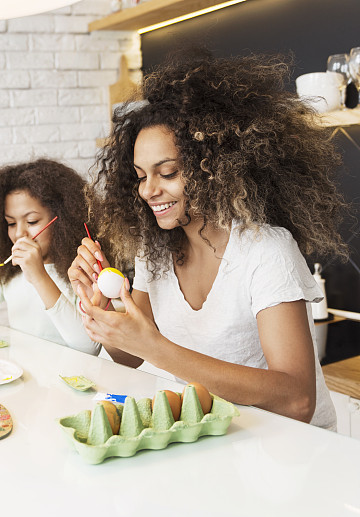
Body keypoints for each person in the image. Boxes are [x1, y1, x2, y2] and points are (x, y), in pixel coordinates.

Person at [70, 50, 348, 429]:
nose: (148, 190)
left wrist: (158, 348)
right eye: (140, 176)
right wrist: (100, 309)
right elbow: (129, 356)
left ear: (215, 168)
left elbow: (297, 399)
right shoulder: (157, 252)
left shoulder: (266, 250)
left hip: (294, 454)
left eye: (167, 172)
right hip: (220, 441)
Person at [0, 158, 101, 355]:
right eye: (11, 223)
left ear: (62, 218)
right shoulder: (10, 274)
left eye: (32, 221)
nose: (20, 233)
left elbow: (90, 347)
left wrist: (39, 277)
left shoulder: (81, 272)